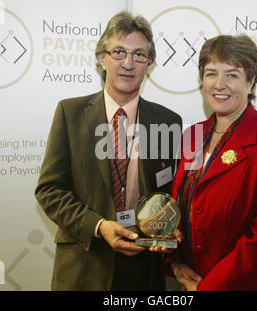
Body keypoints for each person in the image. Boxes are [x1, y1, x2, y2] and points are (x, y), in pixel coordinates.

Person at [35, 11, 182, 290]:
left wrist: (170, 227)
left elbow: (171, 193)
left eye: (139, 55)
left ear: (149, 64)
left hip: (144, 268)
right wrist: (99, 225)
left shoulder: (168, 121)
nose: (128, 63)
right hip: (85, 263)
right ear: (101, 58)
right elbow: (49, 190)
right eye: (119, 52)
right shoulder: (71, 113)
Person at [165, 35, 257, 290]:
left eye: (233, 75)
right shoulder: (192, 135)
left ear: (251, 81)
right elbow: (181, 204)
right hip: (192, 277)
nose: (219, 84)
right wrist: (175, 259)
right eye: (211, 73)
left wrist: (208, 288)